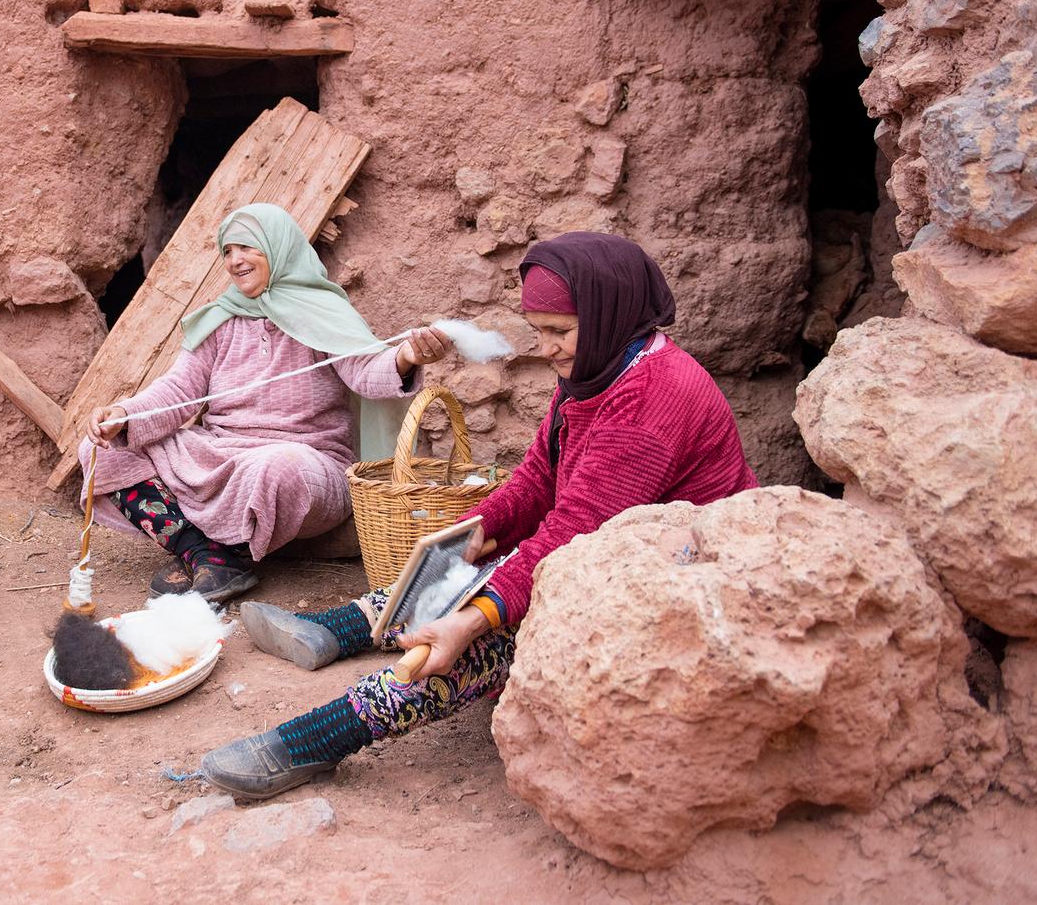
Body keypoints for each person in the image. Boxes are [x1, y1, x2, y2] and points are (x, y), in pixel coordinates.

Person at [201, 231, 758, 798]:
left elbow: (572, 533)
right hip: (607, 550)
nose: (547, 349)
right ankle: (336, 630)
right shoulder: (599, 368)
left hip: (675, 586)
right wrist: (478, 529)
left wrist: (472, 620)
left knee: (482, 636)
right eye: (539, 330)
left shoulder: (652, 397)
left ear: (611, 313)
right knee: (460, 567)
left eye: (560, 331)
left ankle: (317, 739)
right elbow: (541, 474)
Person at [80, 203, 453, 603]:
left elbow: (366, 371)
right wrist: (123, 415)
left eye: (247, 247)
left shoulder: (322, 313)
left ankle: (214, 554)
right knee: (100, 449)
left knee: (280, 467)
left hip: (308, 459)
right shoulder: (219, 319)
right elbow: (178, 391)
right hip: (220, 451)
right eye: (227, 250)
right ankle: (203, 552)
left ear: (277, 247)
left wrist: (407, 357)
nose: (235, 260)